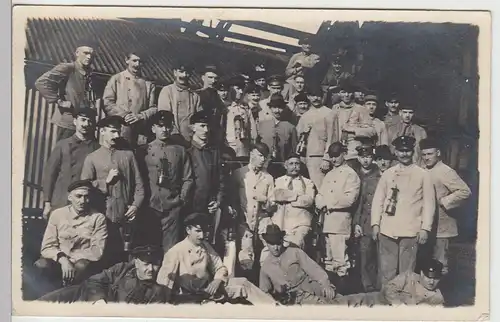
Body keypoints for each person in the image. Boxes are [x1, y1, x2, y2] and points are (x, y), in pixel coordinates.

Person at [156, 212, 278, 305]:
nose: (202, 235)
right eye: (197, 231)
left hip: (211, 289)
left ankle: (274, 308)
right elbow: (164, 284)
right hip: (191, 298)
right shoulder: (175, 252)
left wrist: (217, 280)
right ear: (188, 230)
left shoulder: (205, 245)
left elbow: (220, 267)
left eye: (204, 231)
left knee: (243, 283)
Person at [371, 136, 435, 287]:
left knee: (406, 273)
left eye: (407, 151)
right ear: (396, 152)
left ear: (413, 151)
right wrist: (375, 224)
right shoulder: (388, 173)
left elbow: (429, 204)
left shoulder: (423, 174)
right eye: (401, 151)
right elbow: (378, 200)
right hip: (388, 229)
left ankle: (404, 304)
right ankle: (386, 303)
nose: (404, 154)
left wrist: (425, 228)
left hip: (410, 230)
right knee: (386, 272)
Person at [81, 115, 145, 265]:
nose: (117, 136)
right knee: (102, 254)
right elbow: (84, 187)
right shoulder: (92, 158)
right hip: (103, 214)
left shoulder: (128, 155)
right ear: (102, 131)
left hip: (126, 214)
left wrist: (136, 206)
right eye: (112, 131)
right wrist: (105, 182)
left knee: (124, 255)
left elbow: (139, 185)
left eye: (118, 132)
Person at [136, 111, 193, 252]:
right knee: (151, 248)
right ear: (153, 128)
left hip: (172, 208)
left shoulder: (180, 151)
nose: (164, 130)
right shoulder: (144, 151)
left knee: (171, 250)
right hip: (150, 207)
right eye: (160, 126)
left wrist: (181, 199)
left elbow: (188, 178)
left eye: (167, 126)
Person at [35, 180, 107, 290]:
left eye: (86, 197)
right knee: (41, 265)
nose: (82, 201)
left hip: (80, 264)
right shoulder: (57, 214)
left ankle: (71, 295)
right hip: (58, 261)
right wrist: (63, 259)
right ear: (70, 197)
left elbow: (97, 251)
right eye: (78, 196)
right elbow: (47, 247)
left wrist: (71, 260)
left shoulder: (98, 218)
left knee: (82, 266)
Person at [39, 245, 170, 304]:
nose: (151, 269)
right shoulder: (122, 268)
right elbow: (94, 281)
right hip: (86, 295)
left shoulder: (157, 292)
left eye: (155, 264)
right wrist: (99, 300)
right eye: (146, 264)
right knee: (41, 304)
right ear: (136, 262)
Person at [420, 138, 471, 275]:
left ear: (438, 153)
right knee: (426, 261)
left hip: (442, 225)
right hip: (426, 225)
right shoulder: (422, 170)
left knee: (440, 262)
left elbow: (464, 191)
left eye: (430, 154)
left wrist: (444, 201)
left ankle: (442, 292)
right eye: (424, 155)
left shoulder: (445, 171)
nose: (426, 158)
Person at [41, 108, 100, 219]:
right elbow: (50, 174)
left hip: (86, 203)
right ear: (75, 121)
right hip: (62, 201)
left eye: (90, 121)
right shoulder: (62, 145)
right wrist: (47, 203)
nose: (86, 124)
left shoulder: (97, 148)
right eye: (82, 120)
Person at [315, 142, 361, 281]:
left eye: (337, 156)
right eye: (331, 156)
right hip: (327, 221)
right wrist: (320, 203)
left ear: (344, 154)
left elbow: (349, 199)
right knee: (328, 259)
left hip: (340, 222)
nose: (334, 159)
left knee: (340, 259)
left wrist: (328, 203)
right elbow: (320, 194)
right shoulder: (329, 174)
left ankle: (343, 290)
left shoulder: (350, 175)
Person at [35, 41, 97, 141]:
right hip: (69, 121)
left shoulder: (90, 74)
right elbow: (41, 82)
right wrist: (59, 101)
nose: (89, 57)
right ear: (77, 53)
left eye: (92, 54)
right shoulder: (68, 68)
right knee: (64, 152)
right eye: (85, 53)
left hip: (86, 123)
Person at [259, 224, 336, 305]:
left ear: (282, 241)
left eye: (278, 243)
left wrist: (325, 284)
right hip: (291, 301)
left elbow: (314, 269)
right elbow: (264, 292)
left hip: (311, 290)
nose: (275, 248)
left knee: (339, 302)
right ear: (266, 243)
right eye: (272, 244)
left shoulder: (295, 252)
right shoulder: (265, 267)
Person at [228, 143, 274, 272]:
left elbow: (272, 204)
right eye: (260, 156)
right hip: (244, 218)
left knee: (267, 247)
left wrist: (265, 201)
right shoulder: (239, 174)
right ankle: (246, 275)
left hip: (261, 218)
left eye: (265, 157)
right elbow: (232, 197)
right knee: (246, 250)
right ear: (252, 154)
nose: (263, 160)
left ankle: (266, 275)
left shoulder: (268, 178)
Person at [186, 111, 226, 244]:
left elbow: (220, 180)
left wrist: (217, 201)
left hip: (209, 207)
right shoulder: (186, 151)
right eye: (202, 126)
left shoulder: (214, 152)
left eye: (207, 126)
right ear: (192, 127)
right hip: (190, 207)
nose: (206, 130)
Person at [102, 51, 157, 146]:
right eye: (134, 61)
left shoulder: (148, 84)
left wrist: (140, 116)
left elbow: (154, 108)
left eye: (140, 62)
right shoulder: (116, 79)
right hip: (120, 129)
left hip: (140, 131)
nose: (137, 64)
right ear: (127, 60)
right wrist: (124, 115)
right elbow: (107, 102)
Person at [351, 145, 382, 292]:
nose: (366, 160)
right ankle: (365, 285)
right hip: (361, 219)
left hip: (375, 221)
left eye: (369, 157)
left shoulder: (379, 175)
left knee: (376, 256)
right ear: (358, 158)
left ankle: (376, 285)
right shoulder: (354, 175)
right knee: (363, 255)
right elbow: (358, 203)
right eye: (363, 157)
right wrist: (356, 223)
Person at [296, 87, 338, 188]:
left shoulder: (329, 113)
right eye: (312, 96)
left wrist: (327, 158)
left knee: (322, 188)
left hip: (320, 157)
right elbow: (298, 138)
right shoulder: (305, 116)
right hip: (306, 158)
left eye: (318, 96)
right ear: (308, 97)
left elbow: (332, 138)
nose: (316, 98)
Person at [270, 154, 315, 249]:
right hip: (281, 222)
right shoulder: (278, 181)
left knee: (295, 248)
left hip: (300, 223)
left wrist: (286, 197)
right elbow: (277, 195)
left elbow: (309, 201)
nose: (294, 166)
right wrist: (297, 195)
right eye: (291, 164)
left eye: (297, 164)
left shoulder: (307, 182)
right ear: (285, 165)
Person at [157, 60, 202, 145]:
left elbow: (198, 120)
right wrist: (175, 137)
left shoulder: (195, 96)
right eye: (181, 72)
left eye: (187, 72)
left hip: (191, 141)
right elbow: (165, 118)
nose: (184, 75)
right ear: (175, 72)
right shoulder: (167, 91)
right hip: (172, 139)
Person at [331, 81, 376, 161]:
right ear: (339, 94)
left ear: (353, 93)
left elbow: (372, 131)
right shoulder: (335, 109)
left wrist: (353, 130)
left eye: (349, 92)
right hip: (337, 152)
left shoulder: (360, 109)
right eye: (343, 92)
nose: (347, 95)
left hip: (353, 152)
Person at [257, 94, 298, 168]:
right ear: (270, 108)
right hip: (264, 165)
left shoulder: (290, 127)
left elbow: (294, 149)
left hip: (283, 166)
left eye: (280, 107)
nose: (277, 111)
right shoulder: (262, 125)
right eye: (274, 107)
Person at [380, 259, 445, 306]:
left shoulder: (437, 297)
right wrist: (402, 304)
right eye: (429, 277)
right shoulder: (408, 276)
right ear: (422, 273)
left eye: (436, 278)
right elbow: (388, 289)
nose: (432, 282)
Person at [197, 64, 227, 146]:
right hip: (201, 135)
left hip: (216, 137)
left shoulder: (218, 98)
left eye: (215, 78)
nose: (213, 81)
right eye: (210, 77)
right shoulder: (196, 95)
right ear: (203, 78)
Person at [226, 82, 256, 157]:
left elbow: (252, 127)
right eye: (238, 89)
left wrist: (253, 143)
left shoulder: (245, 107)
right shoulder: (225, 107)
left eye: (242, 89)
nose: (241, 92)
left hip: (244, 145)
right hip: (229, 144)